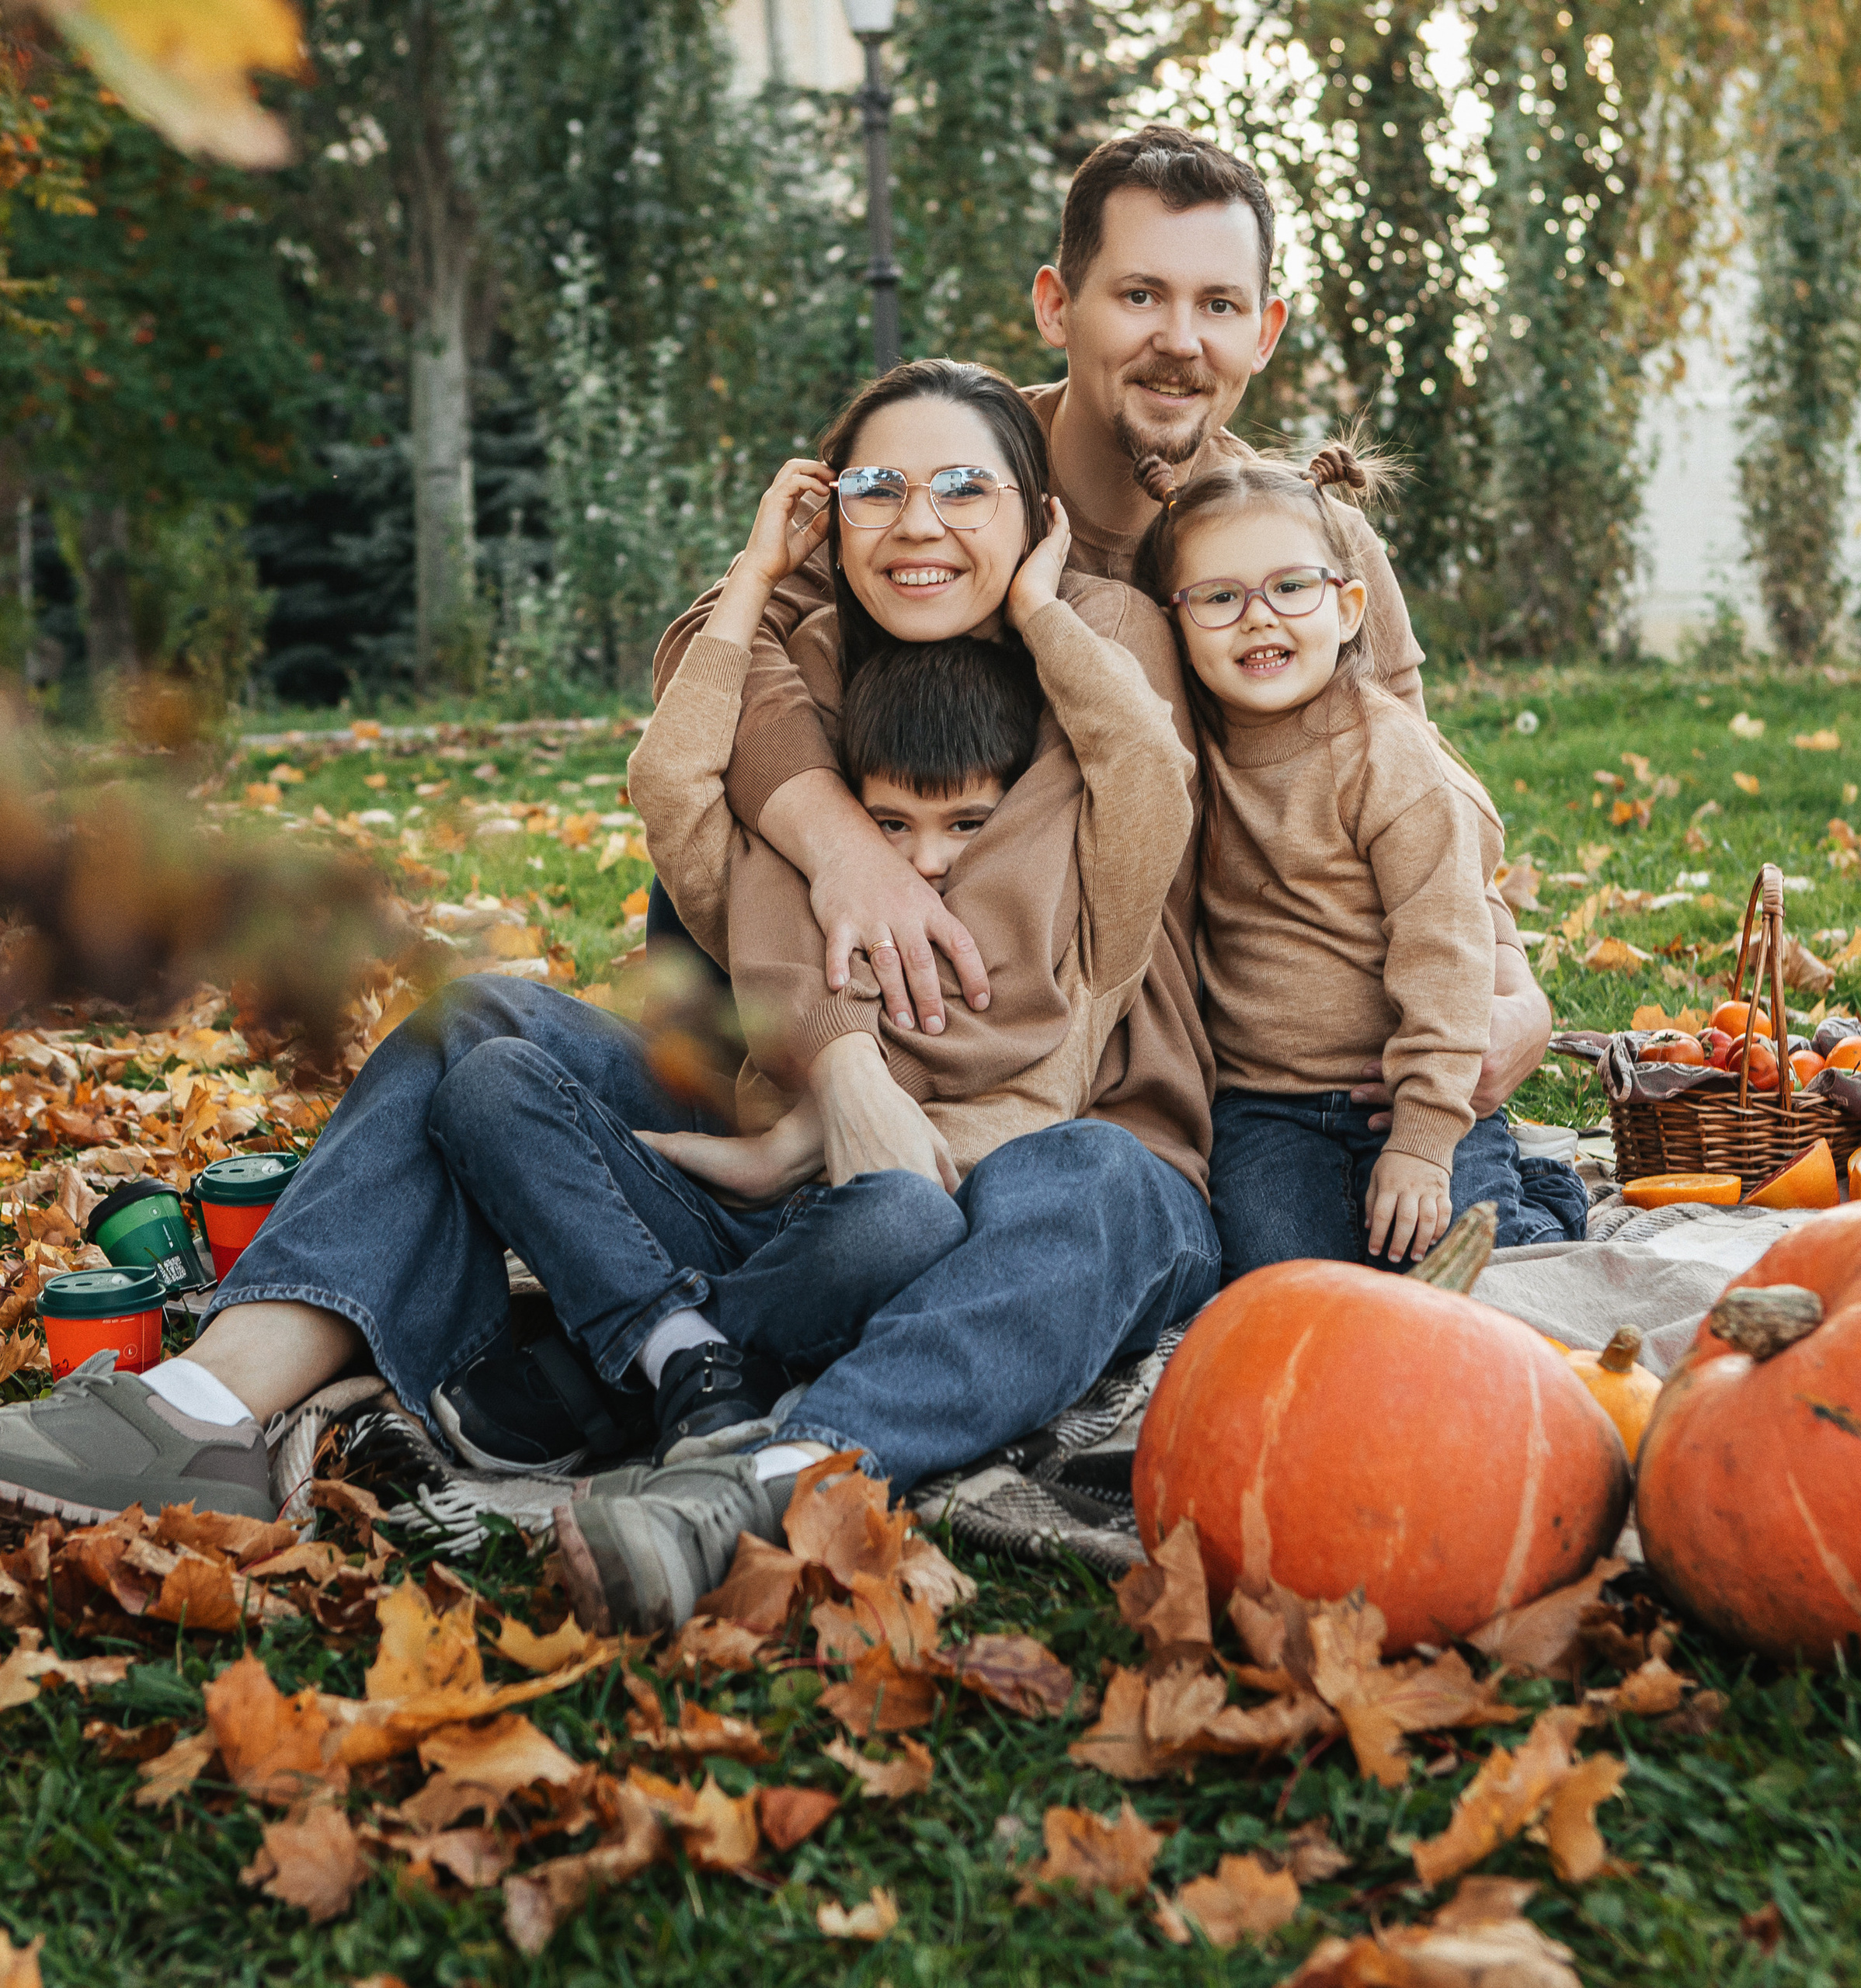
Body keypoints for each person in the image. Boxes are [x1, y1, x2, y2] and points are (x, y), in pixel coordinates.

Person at [645, 123, 1553, 1145]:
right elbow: (706, 647)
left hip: (1154, 995)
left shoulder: (1298, 546)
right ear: (1054, 306)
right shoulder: (950, 476)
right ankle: (748, 1108)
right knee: (736, 784)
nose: (1179, 338)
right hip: (899, 945)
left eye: (1218, 305)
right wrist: (842, 843)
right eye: (1139, 295)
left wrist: (1519, 997)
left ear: (1265, 331)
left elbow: (1410, 796)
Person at [553, 361, 1213, 1635]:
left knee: (1086, 1189)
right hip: (860, 1211)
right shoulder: (796, 795)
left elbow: (1144, 768)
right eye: (880, 490)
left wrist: (1037, 605)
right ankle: (691, 1392)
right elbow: (681, 779)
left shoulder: (1087, 813)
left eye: (968, 489)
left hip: (1057, 1174)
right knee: (484, 1046)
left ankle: (769, 1482)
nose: (929, 856)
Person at [1133, 444, 1566, 1276]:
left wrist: (1425, 1134)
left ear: (1348, 607)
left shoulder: (1386, 757)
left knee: (1457, 1269)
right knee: (1282, 1274)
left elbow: (1445, 942)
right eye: (1219, 598)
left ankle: (1538, 1201)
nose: (1259, 616)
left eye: (1291, 588)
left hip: (1415, 1084)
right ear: (1175, 621)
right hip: (1266, 1103)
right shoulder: (1198, 749)